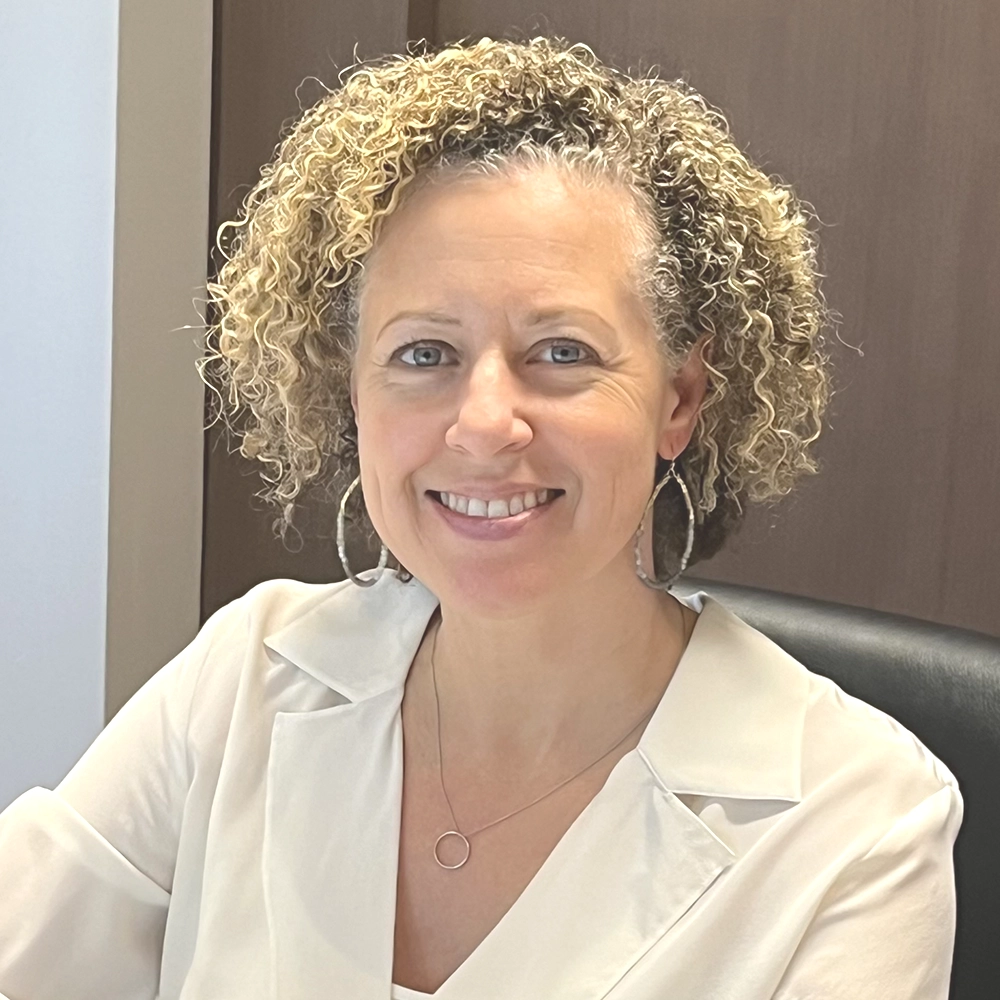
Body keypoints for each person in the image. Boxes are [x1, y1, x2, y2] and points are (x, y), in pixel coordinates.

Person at [0, 35, 962, 1000]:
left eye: (562, 351)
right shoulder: (244, 678)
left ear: (679, 398)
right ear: (353, 396)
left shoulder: (860, 826)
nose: (485, 424)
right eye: (424, 354)